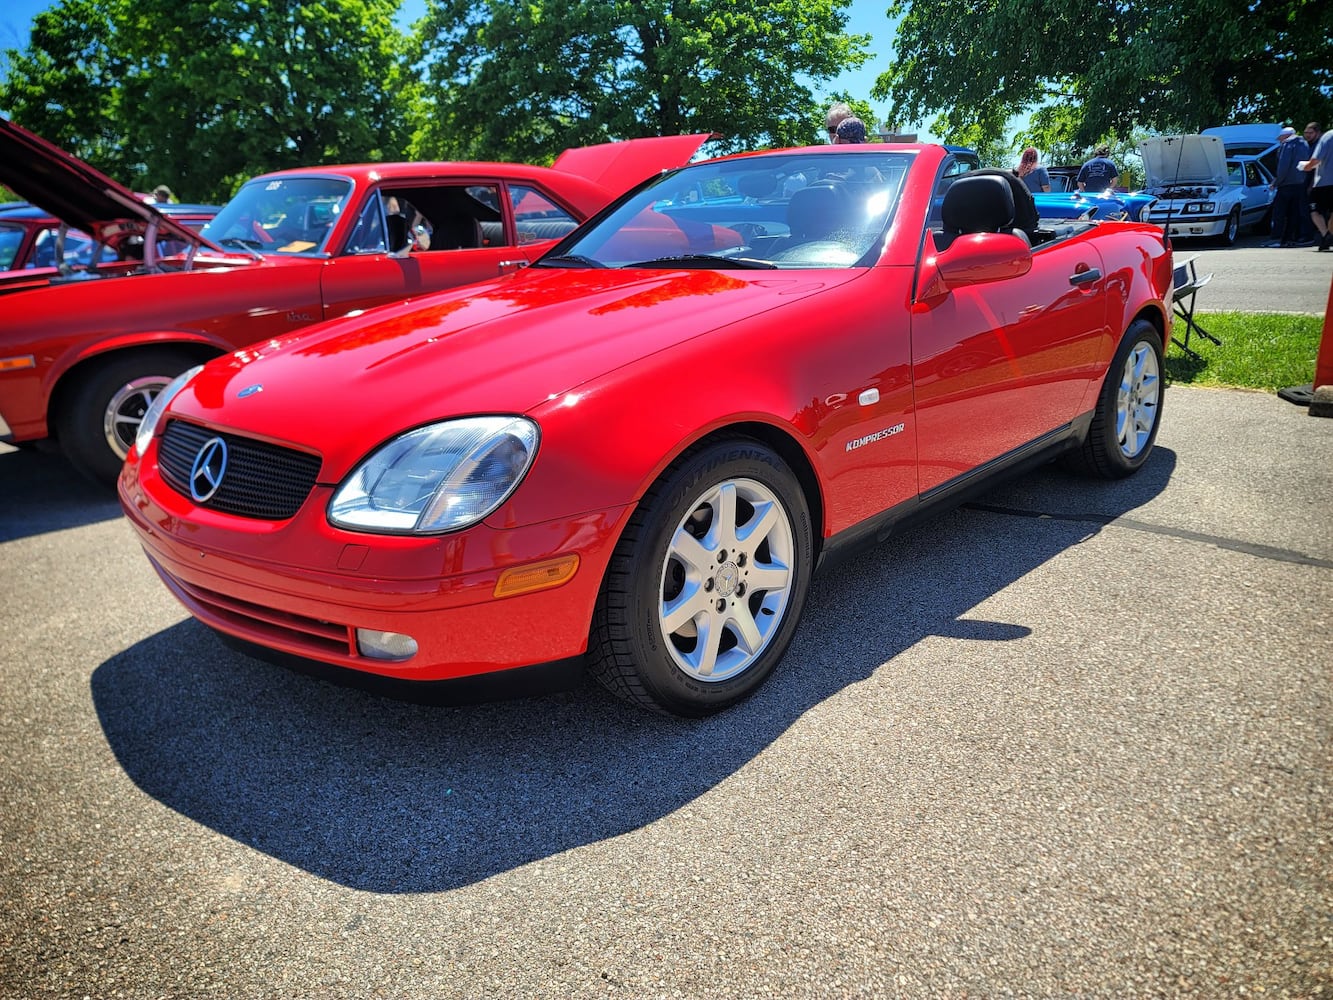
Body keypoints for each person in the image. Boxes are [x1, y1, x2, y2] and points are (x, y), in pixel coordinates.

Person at [1265, 126, 1310, 247]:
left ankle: (1276, 239)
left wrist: (1276, 182)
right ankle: (1289, 239)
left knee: (1279, 213)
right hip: (1300, 184)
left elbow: (1283, 167)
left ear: (1285, 136)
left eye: (1280, 138)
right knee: (1293, 214)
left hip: (1286, 185)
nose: (1280, 140)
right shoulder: (1304, 144)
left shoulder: (1287, 145)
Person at [1299, 123, 1333, 251]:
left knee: (1314, 211)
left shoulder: (1328, 137)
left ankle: (1325, 234)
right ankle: (1327, 238)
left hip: (1324, 182)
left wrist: (1306, 167)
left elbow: (1315, 160)